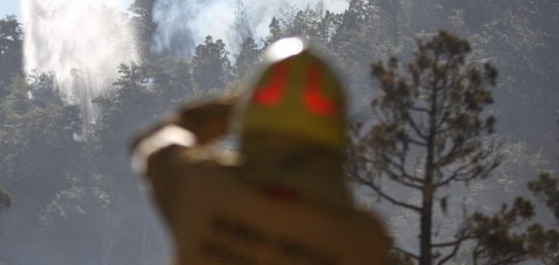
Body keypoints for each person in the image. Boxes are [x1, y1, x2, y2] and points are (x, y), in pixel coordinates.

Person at [131, 37, 391, 264]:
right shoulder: (363, 241)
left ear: (251, 116)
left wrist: (222, 112)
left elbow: (153, 144)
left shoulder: (203, 186)